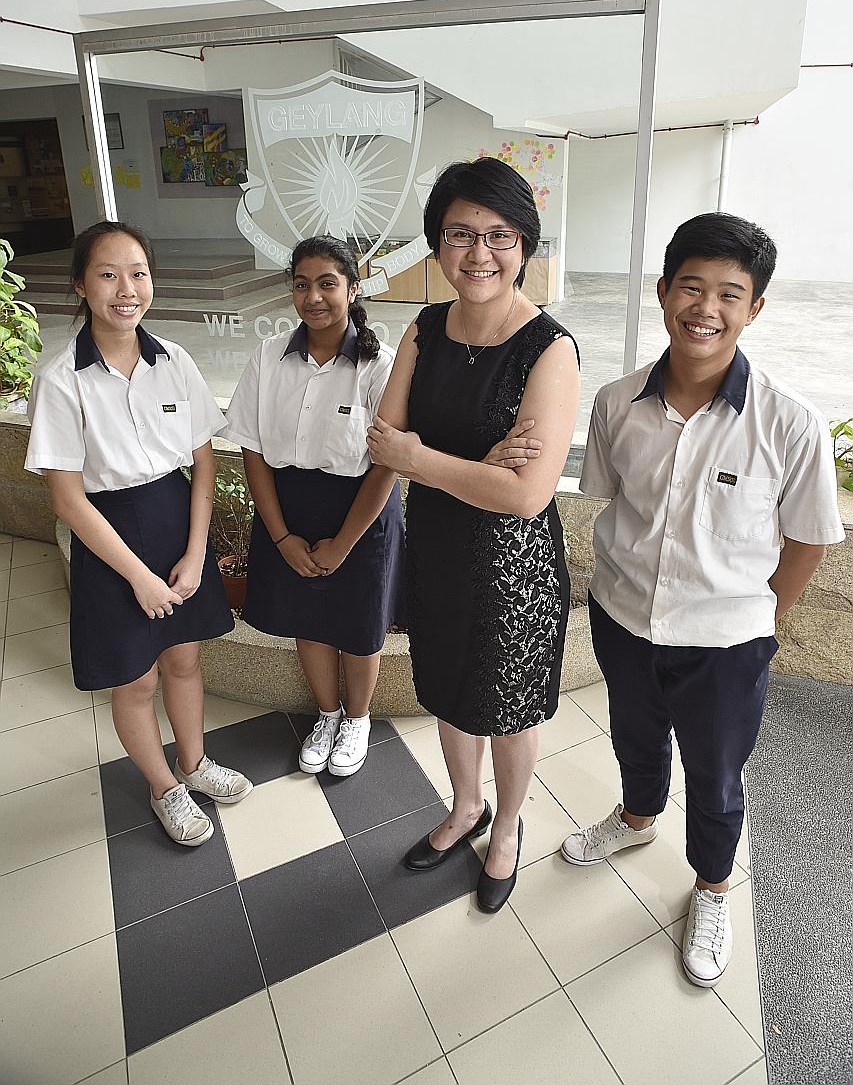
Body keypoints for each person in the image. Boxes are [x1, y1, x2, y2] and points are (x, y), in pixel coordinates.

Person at [560, 212, 844, 986]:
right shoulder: (618, 404)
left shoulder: (789, 423)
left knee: (717, 777)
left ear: (754, 308)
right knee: (633, 737)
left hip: (726, 643)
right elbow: (610, 503)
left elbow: (809, 539)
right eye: (690, 286)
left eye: (729, 292)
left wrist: (761, 621)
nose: (705, 308)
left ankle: (713, 887)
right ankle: (636, 818)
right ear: (662, 292)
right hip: (623, 622)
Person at [367, 157, 580, 913]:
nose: (479, 253)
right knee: (450, 697)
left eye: (499, 235)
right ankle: (464, 808)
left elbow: (523, 497)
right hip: (438, 551)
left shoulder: (548, 350)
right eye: (460, 234)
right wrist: (469, 466)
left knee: (507, 708)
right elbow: (379, 440)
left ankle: (508, 826)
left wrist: (425, 460)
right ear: (436, 244)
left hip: (510, 570)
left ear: (525, 245)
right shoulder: (422, 328)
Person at [25, 221, 252, 848]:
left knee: (184, 658)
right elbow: (69, 500)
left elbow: (203, 461)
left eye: (139, 273)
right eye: (108, 274)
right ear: (80, 284)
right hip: (110, 541)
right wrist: (140, 577)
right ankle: (164, 788)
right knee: (136, 678)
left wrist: (197, 550)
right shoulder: (61, 379)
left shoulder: (172, 360)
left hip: (178, 527)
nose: (127, 289)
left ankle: (194, 762)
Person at [224, 235, 404, 778]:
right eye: (301, 285)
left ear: (352, 287)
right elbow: (251, 446)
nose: (314, 297)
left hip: (362, 510)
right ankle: (326, 715)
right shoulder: (269, 356)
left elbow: (387, 463)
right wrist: (280, 535)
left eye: (328, 283)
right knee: (309, 615)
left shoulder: (380, 364)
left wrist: (344, 542)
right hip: (289, 505)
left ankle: (357, 718)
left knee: (358, 620)